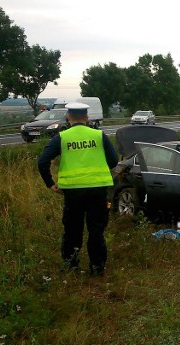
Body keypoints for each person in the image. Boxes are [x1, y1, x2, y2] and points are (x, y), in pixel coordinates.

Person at [38, 102, 118, 276]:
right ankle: (97, 267)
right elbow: (113, 161)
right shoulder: (99, 135)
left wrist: (50, 183)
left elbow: (42, 161)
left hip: (72, 192)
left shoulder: (62, 137)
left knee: (72, 229)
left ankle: (71, 265)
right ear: (87, 118)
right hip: (97, 189)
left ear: (68, 117)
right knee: (96, 230)